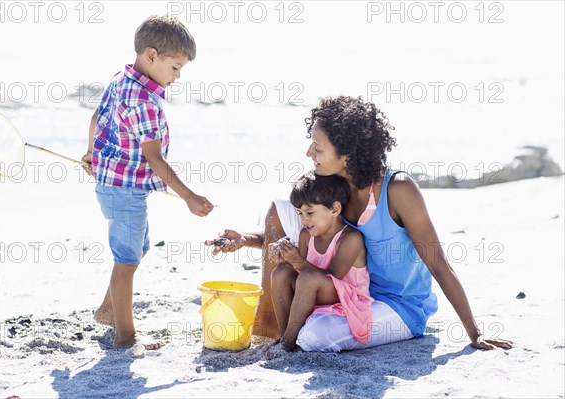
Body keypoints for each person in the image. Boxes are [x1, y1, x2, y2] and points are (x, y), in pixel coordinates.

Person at [207, 96, 513, 352]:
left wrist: (474, 333)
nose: (309, 153)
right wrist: (244, 238)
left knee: (313, 336)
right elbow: (308, 228)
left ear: (347, 155)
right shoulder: (332, 182)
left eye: (318, 147)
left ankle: (295, 329)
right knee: (279, 210)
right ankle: (269, 324)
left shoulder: (397, 190)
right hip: (344, 288)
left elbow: (438, 263)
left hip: (394, 305)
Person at [81, 15, 214, 351]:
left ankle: (110, 311)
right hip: (124, 190)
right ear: (152, 56)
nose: (178, 76)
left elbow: (98, 116)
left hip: (119, 186)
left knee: (136, 249)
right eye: (176, 67)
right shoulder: (142, 100)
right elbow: (154, 158)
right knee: (126, 261)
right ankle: (125, 336)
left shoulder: (122, 78)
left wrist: (90, 150)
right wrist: (188, 196)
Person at [270, 172, 373, 352]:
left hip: (347, 295)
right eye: (300, 213)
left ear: (334, 209)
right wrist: (284, 255)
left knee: (308, 277)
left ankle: (288, 342)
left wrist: (298, 261)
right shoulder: (306, 235)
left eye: (309, 213)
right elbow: (299, 271)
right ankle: (285, 335)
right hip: (315, 287)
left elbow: (333, 276)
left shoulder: (350, 238)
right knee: (281, 272)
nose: (304, 220)